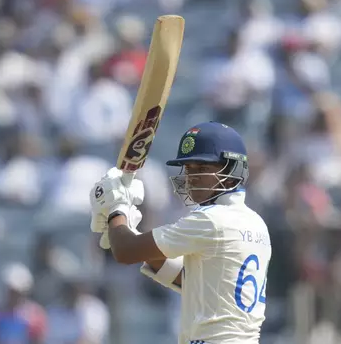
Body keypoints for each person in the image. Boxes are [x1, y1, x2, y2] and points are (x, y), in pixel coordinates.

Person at [90, 121, 272, 344]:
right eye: (188, 169)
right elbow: (195, 284)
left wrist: (116, 209)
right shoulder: (255, 222)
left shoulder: (211, 220)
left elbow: (125, 252)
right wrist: (130, 231)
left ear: (232, 170)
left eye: (202, 168)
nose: (191, 177)